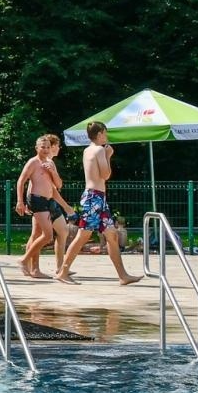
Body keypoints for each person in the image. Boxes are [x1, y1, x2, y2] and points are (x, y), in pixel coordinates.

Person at [61, 121, 140, 285]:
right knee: (83, 235)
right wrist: (108, 156)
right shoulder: (98, 150)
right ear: (99, 134)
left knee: (111, 235)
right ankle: (63, 271)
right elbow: (105, 174)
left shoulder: (87, 150)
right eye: (105, 133)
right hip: (94, 198)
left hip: (97, 198)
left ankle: (123, 275)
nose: (107, 136)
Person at [15, 134, 78, 282]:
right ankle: (25, 261)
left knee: (43, 234)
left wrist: (53, 171)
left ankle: (32, 265)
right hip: (37, 200)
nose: (45, 150)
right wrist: (20, 201)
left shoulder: (50, 163)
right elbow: (21, 181)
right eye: (42, 147)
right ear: (36, 148)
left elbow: (59, 185)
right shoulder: (33, 162)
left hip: (48, 201)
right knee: (47, 235)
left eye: (47, 147)